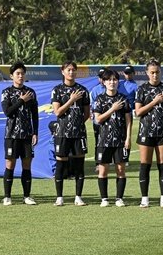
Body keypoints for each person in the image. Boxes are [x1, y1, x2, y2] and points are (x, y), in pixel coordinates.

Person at [135, 59, 163, 208]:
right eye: (152, 72)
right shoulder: (142, 89)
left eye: (157, 72)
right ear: (147, 73)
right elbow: (139, 112)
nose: (155, 75)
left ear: (161, 72)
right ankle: (144, 198)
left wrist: (161, 120)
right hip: (146, 131)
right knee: (145, 165)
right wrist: (154, 101)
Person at [51, 61, 90, 206]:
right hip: (62, 133)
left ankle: (78, 196)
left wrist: (77, 124)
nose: (71, 72)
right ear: (63, 72)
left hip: (78, 133)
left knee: (79, 165)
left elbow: (86, 114)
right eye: (68, 70)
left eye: (74, 70)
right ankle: (59, 197)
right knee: (61, 164)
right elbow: (57, 112)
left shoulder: (83, 90)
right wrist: (71, 100)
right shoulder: (57, 90)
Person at [92, 69, 132, 207]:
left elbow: (128, 120)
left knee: (120, 170)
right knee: (103, 170)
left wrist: (128, 138)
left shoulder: (123, 99)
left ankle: (119, 198)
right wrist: (112, 109)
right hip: (104, 140)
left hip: (120, 140)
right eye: (109, 80)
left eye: (114, 79)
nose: (112, 82)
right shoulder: (100, 99)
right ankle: (104, 198)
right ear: (104, 82)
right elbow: (98, 119)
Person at [1, 61, 39, 206]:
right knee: (10, 165)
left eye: (22, 73)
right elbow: (7, 112)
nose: (20, 76)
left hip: (27, 136)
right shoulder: (7, 92)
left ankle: (27, 196)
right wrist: (21, 101)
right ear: (11, 76)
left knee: (27, 165)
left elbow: (34, 115)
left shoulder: (31, 92)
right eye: (17, 73)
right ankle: (7, 196)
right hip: (11, 135)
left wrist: (35, 132)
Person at [118, 65, 138, 163]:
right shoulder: (120, 83)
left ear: (133, 74)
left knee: (126, 134)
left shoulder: (135, 86)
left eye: (130, 73)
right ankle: (116, 156)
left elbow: (137, 100)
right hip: (117, 111)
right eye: (126, 73)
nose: (128, 75)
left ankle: (125, 158)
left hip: (128, 112)